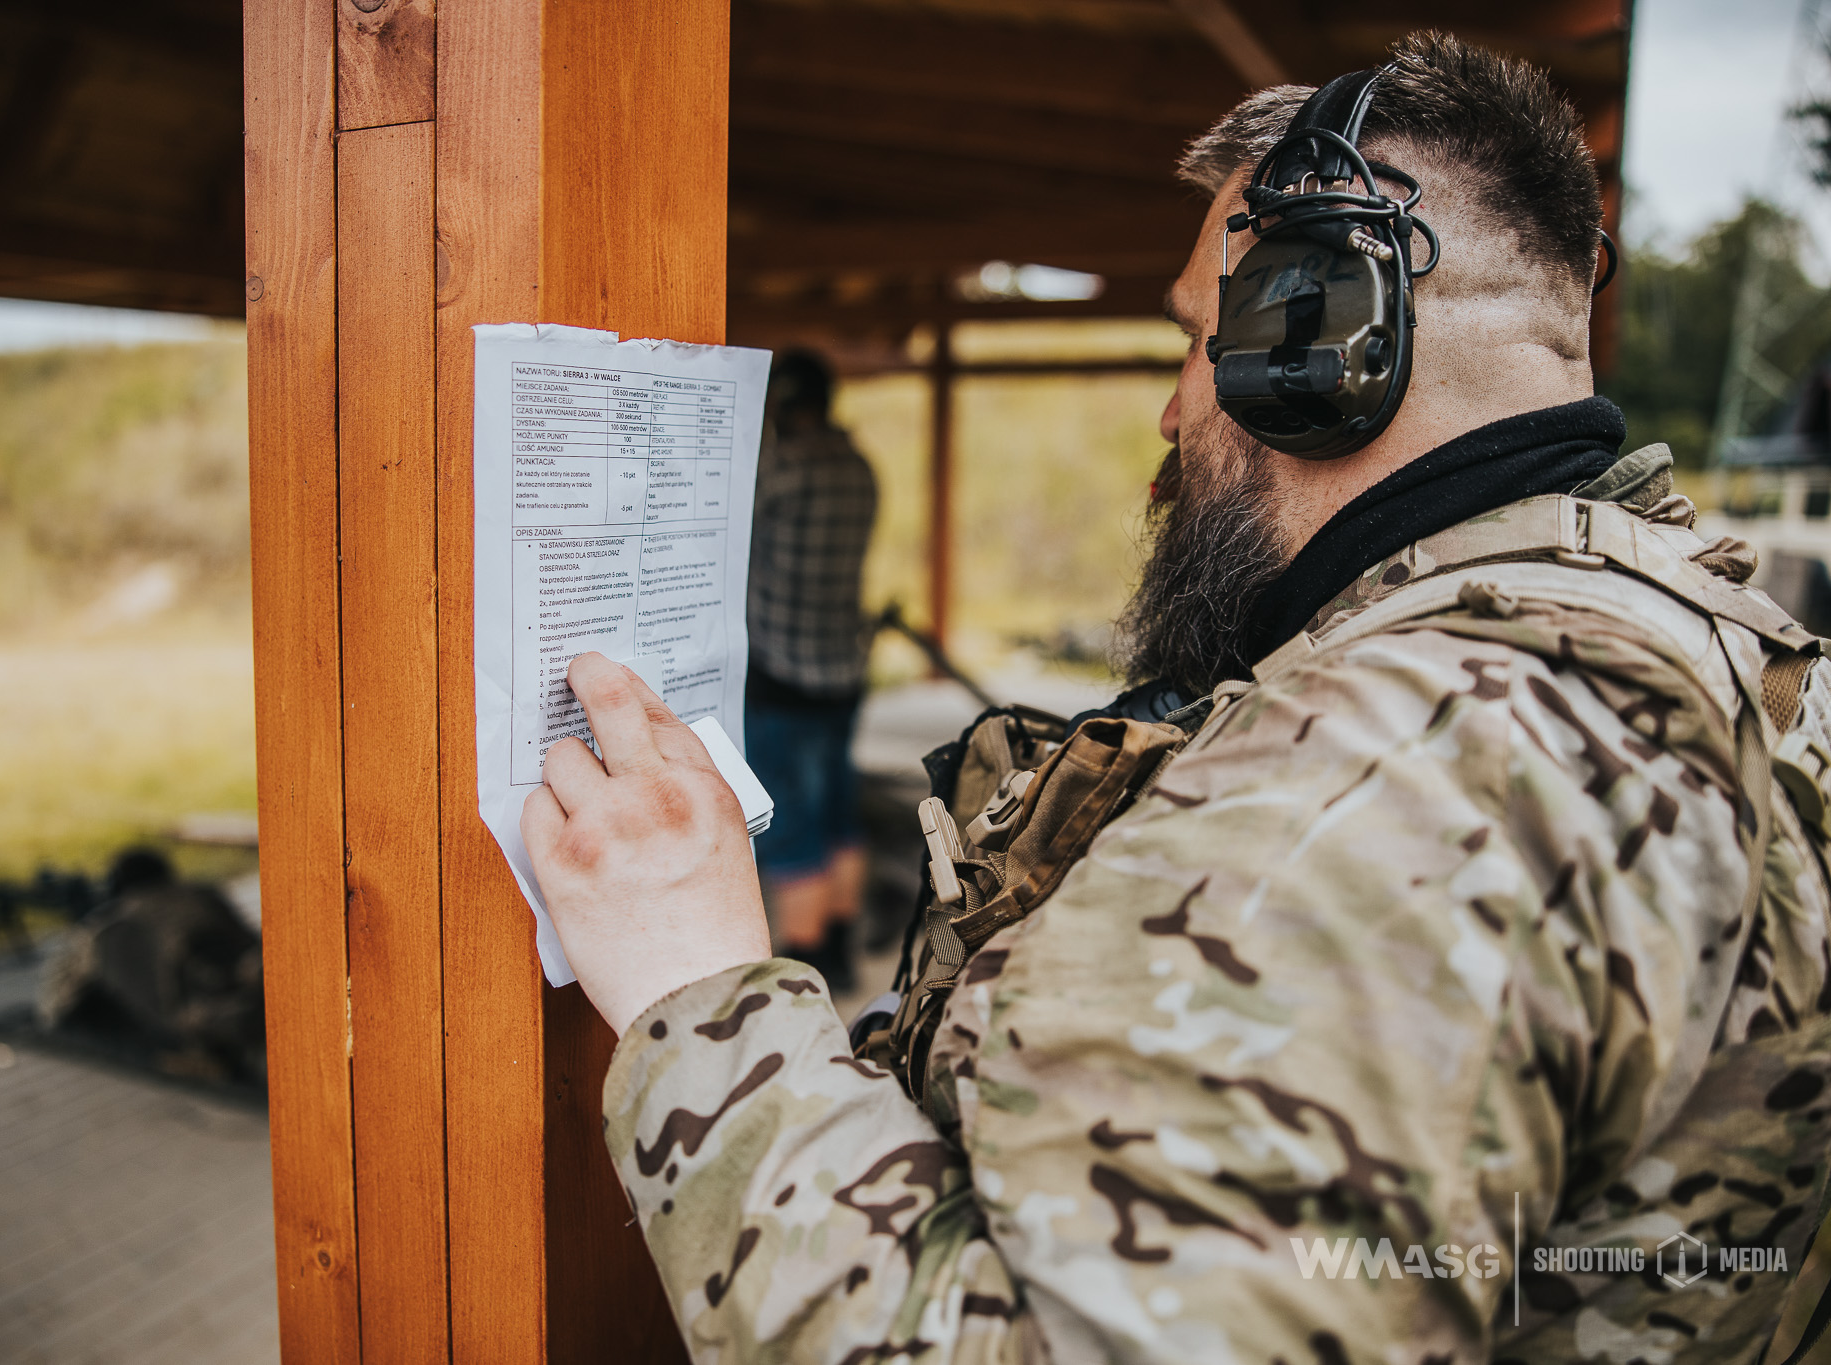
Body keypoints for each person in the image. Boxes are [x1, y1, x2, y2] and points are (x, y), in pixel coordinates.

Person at [520, 32, 1831, 1363]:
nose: (1168, 410)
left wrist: (701, 986)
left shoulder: (1386, 785)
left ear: (1314, 346)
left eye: (1198, 340)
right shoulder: (1714, 633)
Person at [742, 348, 879, 992]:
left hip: (781, 674)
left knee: (790, 824)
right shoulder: (859, 468)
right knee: (836, 812)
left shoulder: (781, 468)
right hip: (842, 668)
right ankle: (842, 951)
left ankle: (806, 969)